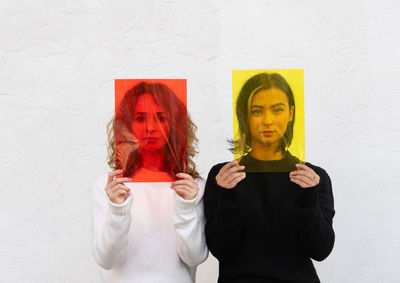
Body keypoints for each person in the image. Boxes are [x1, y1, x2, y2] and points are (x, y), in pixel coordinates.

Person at [204, 73, 335, 283]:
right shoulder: (224, 175)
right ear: (244, 116)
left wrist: (308, 200)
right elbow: (221, 248)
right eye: (257, 111)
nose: (268, 120)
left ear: (291, 113)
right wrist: (229, 197)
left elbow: (320, 250)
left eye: (277, 109)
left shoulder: (311, 177)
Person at [92, 81, 208, 283]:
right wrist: (117, 209)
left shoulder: (192, 186)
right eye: (140, 118)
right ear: (126, 124)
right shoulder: (110, 187)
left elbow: (195, 257)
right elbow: (106, 260)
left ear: (174, 123)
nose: (150, 128)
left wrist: (187, 206)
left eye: (161, 117)